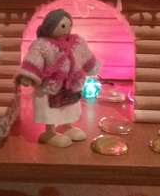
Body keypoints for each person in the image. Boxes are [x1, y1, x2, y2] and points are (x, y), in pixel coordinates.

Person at [15, 9, 101, 148]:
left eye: (69, 25)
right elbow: (33, 61)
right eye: (63, 26)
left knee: (69, 106)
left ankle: (66, 126)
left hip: (71, 84)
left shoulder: (77, 42)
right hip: (49, 87)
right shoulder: (41, 44)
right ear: (50, 26)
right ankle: (49, 132)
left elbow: (85, 56)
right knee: (50, 109)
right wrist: (27, 76)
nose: (67, 30)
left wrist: (91, 67)